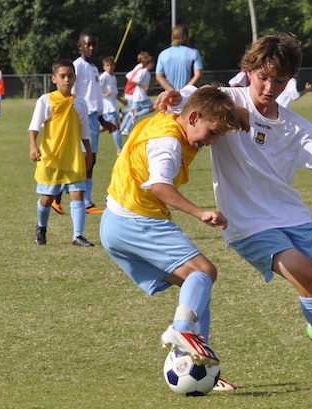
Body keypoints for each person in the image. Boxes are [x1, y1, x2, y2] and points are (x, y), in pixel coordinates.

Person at [156, 33, 312, 386]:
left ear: (289, 81)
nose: (269, 87)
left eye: (279, 81)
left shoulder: (296, 126)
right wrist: (174, 95)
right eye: (263, 78)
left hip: (292, 217)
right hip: (248, 225)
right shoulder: (227, 100)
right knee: (308, 275)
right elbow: (192, 102)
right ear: (248, 70)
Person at [99, 87, 240, 391]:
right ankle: (181, 332)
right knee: (205, 272)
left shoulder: (170, 117)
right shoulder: (169, 143)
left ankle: (198, 363)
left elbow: (200, 95)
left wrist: (175, 91)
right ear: (193, 118)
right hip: (137, 219)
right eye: (212, 133)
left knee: (196, 288)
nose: (212, 142)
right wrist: (199, 212)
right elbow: (160, 185)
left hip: (114, 223)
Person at [28, 59, 94, 247]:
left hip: (73, 156)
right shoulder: (46, 100)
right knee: (47, 198)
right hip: (52, 157)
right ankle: (41, 228)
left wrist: (88, 152)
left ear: (75, 78)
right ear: (54, 78)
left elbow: (84, 132)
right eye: (62, 76)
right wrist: (33, 146)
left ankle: (78, 236)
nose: (67, 80)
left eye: (70, 76)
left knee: (78, 194)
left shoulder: (79, 103)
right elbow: (34, 127)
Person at [54, 29, 116, 216]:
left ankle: (82, 200)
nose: (91, 48)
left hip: (92, 117)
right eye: (87, 44)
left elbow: (94, 97)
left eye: (94, 44)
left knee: (91, 159)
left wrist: (102, 119)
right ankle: (63, 197)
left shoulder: (94, 68)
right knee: (81, 159)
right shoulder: (77, 66)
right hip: (80, 116)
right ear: (80, 46)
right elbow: (69, 90)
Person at [155, 24, 203, 91]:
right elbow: (198, 75)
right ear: (186, 36)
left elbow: (159, 76)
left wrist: (172, 90)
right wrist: (185, 90)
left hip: (170, 96)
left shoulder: (163, 54)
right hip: (188, 95)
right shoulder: (193, 53)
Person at [119, 52, 156, 135]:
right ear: (148, 64)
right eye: (152, 63)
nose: (153, 65)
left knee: (132, 112)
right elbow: (135, 80)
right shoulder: (142, 71)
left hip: (140, 95)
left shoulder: (147, 73)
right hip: (139, 96)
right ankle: (124, 127)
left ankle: (123, 129)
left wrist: (153, 84)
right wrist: (143, 87)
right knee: (152, 107)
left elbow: (146, 85)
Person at [99, 56, 127, 154]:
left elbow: (114, 92)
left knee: (109, 126)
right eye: (107, 65)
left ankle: (91, 133)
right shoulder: (103, 76)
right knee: (116, 126)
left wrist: (121, 100)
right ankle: (120, 149)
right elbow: (97, 88)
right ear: (104, 67)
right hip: (107, 107)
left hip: (112, 105)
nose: (109, 67)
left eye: (111, 65)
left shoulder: (113, 77)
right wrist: (105, 94)